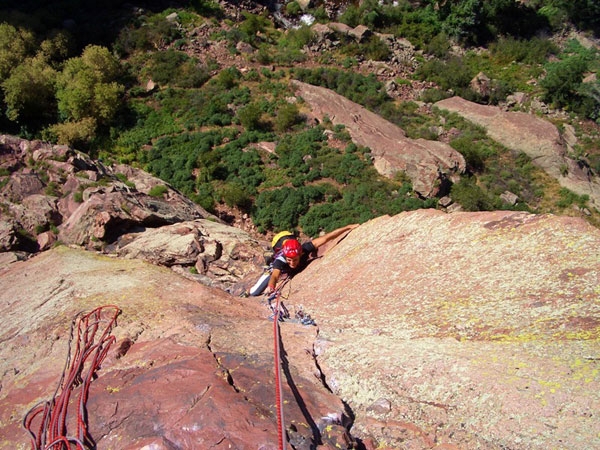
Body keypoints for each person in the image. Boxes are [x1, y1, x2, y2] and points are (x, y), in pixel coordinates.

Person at [248, 223, 359, 296]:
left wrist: (348, 227)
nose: (292, 263)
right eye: (289, 260)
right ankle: (246, 292)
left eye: (295, 260)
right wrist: (271, 286)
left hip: (291, 248)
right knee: (254, 292)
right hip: (277, 262)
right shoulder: (281, 260)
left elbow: (327, 237)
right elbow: (275, 275)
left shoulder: (304, 248)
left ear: (300, 254)